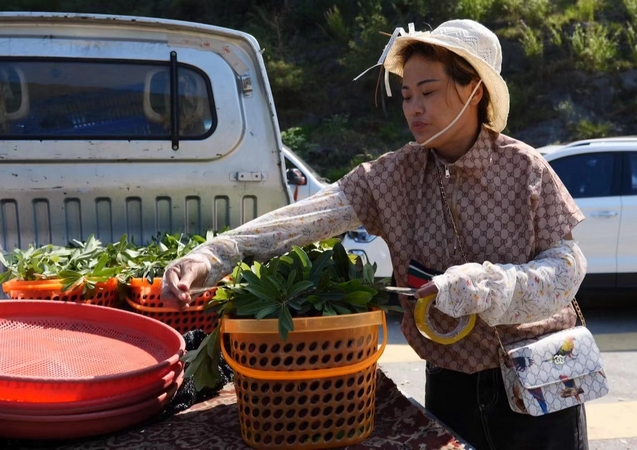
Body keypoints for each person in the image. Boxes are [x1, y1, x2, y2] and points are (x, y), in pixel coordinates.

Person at [162, 19, 588, 450]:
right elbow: (304, 218)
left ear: (474, 91)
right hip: (452, 385)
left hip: (540, 378)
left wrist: (485, 286)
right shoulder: (392, 177)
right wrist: (214, 255)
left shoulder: (525, 168)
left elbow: (567, 267)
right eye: (406, 95)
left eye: (428, 92)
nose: (414, 108)